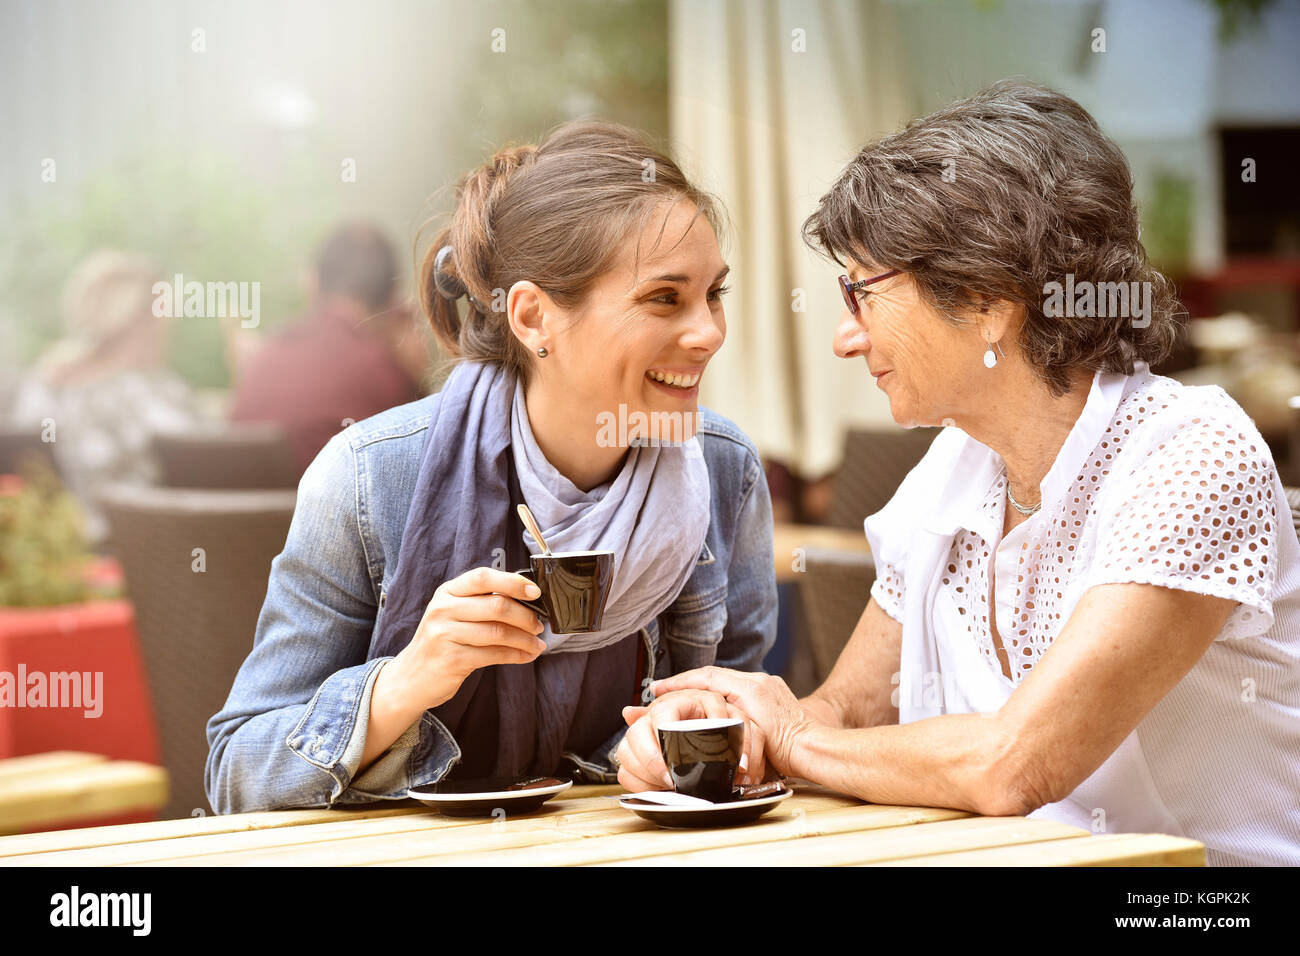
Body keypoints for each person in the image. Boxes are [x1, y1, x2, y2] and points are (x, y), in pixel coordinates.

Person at [620, 80, 1300, 866]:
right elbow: (843, 717)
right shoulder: (958, 464)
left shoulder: (1192, 453)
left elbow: (1014, 763)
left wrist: (794, 735)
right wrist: (721, 735)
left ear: (987, 299)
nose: (845, 337)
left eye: (861, 292)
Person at [205, 122, 778, 813]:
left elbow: (752, 727)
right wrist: (407, 680)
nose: (709, 332)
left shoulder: (725, 470)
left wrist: (705, 736)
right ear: (534, 318)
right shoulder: (367, 478)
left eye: (714, 294)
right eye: (664, 298)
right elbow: (235, 773)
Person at [11, 250, 203, 545]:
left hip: (53, 554)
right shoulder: (148, 391)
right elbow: (216, 467)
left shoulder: (40, 384)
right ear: (143, 319)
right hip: (143, 558)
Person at [228, 223, 427, 475]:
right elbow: (427, 464)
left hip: (235, 508)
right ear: (392, 300)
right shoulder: (385, 372)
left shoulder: (266, 352)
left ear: (312, 283)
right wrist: (418, 377)